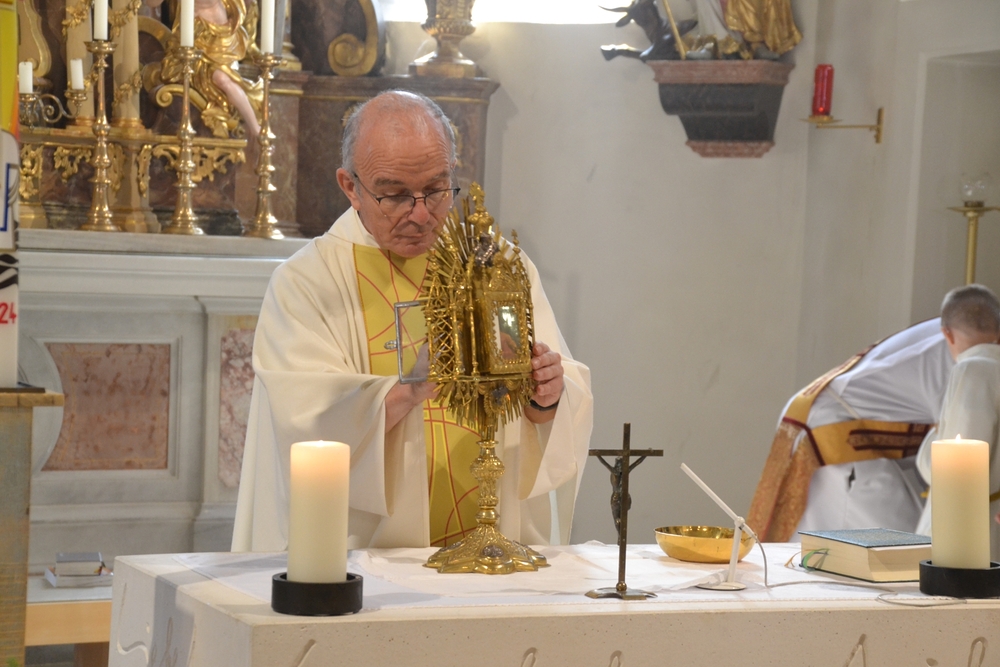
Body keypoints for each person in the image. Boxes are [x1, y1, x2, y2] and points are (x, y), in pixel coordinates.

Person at [232, 91, 593, 552]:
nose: (421, 214)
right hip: (368, 558)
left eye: (437, 189)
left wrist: (548, 394)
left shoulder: (498, 266)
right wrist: (407, 390)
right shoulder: (307, 282)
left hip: (492, 549)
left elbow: (559, 398)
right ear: (350, 186)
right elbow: (303, 422)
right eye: (396, 195)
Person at [748, 318, 952, 541]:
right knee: (895, 547)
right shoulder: (970, 347)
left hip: (834, 419)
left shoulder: (959, 328)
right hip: (841, 431)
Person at [916, 284, 1000, 560]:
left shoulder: (972, 369)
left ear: (947, 334)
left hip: (967, 528)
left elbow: (956, 469)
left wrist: (932, 439)